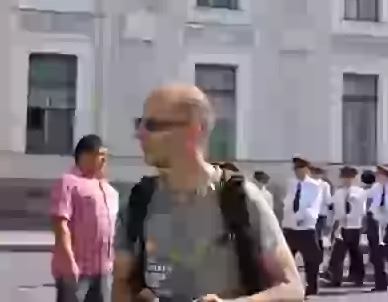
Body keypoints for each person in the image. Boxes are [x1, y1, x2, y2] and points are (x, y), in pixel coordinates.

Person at [113, 84, 304, 302]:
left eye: (152, 125)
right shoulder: (138, 202)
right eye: (139, 123)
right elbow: (121, 285)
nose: (139, 134)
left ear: (194, 129)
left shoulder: (239, 198)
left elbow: (292, 289)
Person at [50, 134, 119, 302]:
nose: (104, 161)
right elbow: (60, 223)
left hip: (104, 271)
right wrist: (68, 260)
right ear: (84, 156)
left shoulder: (109, 190)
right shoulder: (68, 182)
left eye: (106, 156)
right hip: (77, 270)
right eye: (100, 155)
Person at [282, 156, 322, 297]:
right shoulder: (291, 183)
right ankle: (289, 287)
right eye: (295, 169)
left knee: (311, 260)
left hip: (306, 228)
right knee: (287, 259)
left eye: (299, 169)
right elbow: (288, 203)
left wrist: (300, 218)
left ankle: (312, 286)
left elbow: (313, 207)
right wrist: (288, 220)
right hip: (290, 227)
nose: (297, 172)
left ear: (306, 169)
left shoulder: (315, 186)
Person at [325, 166, 366, 287]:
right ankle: (335, 278)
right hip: (341, 227)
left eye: (349, 177)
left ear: (354, 178)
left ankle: (358, 277)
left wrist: (349, 216)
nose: (346, 180)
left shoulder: (360, 192)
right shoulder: (338, 193)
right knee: (338, 253)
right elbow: (332, 209)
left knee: (355, 253)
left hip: (354, 226)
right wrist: (332, 224)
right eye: (344, 177)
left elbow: (361, 210)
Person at [309, 166, 331, 254]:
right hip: (321, 212)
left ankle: (314, 251)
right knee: (319, 232)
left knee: (313, 232)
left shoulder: (309, 184)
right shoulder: (325, 185)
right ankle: (319, 251)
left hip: (313, 212)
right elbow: (327, 199)